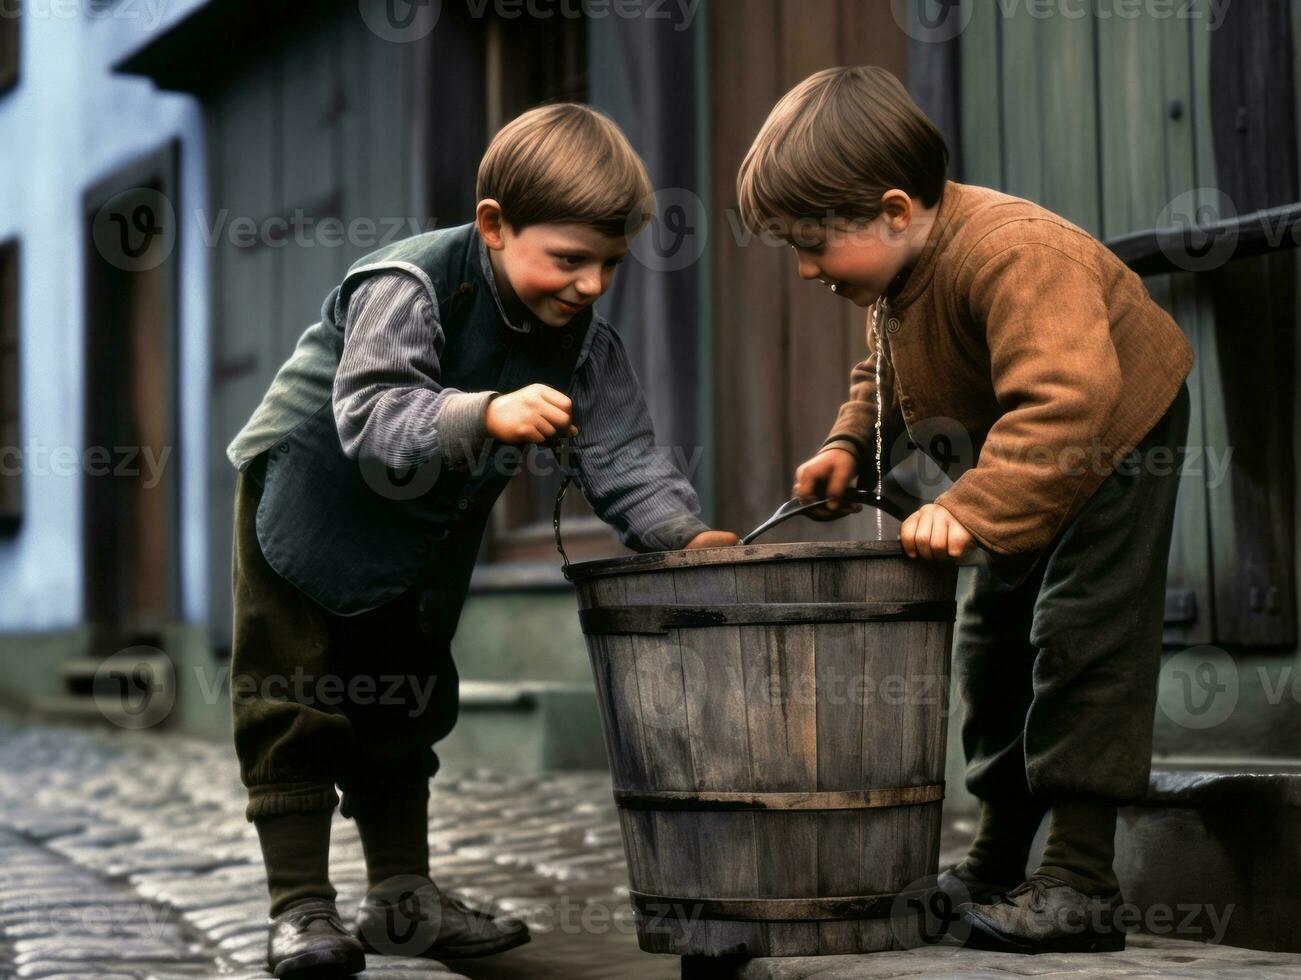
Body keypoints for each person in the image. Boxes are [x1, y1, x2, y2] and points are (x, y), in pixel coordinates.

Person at [225, 102, 737, 977]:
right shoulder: (407, 283)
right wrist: (487, 411)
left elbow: (624, 456)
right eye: (569, 260)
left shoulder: (583, 345)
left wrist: (683, 539)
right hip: (309, 513)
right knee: (291, 704)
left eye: (610, 263)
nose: (591, 285)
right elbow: (378, 416)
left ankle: (403, 901)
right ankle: (300, 909)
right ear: (494, 226)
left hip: (418, 538)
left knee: (402, 702)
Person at [736, 66, 1193, 955]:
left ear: (896, 210)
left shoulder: (1016, 252)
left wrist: (971, 506)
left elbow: (1068, 400)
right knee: (991, 644)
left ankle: (1078, 878)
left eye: (814, 242)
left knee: (1081, 637)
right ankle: (996, 855)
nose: (802, 268)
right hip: (1020, 454)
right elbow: (885, 375)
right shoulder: (898, 276)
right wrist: (847, 450)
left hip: (1110, 436)